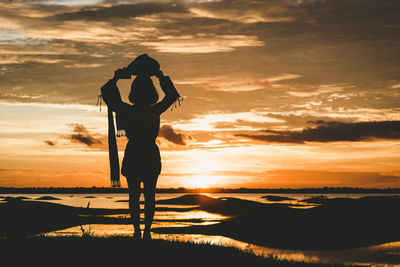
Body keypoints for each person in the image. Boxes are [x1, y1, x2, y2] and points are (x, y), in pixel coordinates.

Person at [101, 60, 181, 240]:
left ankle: (139, 232)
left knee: (135, 196)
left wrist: (116, 78)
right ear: (151, 92)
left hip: (136, 153)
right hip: (148, 154)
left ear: (133, 92)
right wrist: (159, 76)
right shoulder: (156, 110)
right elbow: (172, 95)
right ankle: (144, 232)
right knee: (148, 197)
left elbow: (107, 94)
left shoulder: (127, 110)